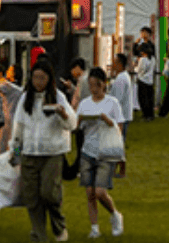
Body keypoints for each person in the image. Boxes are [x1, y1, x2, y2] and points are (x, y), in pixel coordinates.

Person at [9, 59, 76, 243]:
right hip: (30, 152)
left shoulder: (58, 97)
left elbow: (72, 123)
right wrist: (15, 151)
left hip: (52, 152)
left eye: (42, 78)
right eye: (35, 78)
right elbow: (18, 127)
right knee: (32, 197)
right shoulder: (25, 99)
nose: (38, 82)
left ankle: (58, 225)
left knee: (49, 193)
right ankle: (38, 235)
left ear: (49, 79)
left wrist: (63, 114)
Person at [75, 68, 125, 238]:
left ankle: (115, 214)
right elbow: (76, 127)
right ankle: (94, 227)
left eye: (95, 85)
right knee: (89, 192)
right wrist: (80, 120)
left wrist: (107, 120)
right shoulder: (85, 104)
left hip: (106, 151)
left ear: (103, 84)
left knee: (100, 192)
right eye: (90, 85)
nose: (93, 89)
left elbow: (119, 128)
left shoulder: (112, 103)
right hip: (88, 150)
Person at [108, 54, 135, 177]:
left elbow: (116, 99)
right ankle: (116, 169)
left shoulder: (120, 79)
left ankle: (119, 169)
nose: (113, 64)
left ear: (119, 64)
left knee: (117, 143)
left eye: (114, 62)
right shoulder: (124, 77)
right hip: (123, 115)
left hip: (120, 117)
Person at [134, 28, 157, 122]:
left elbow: (140, 70)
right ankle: (150, 114)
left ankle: (146, 115)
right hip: (150, 79)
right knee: (150, 97)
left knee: (143, 98)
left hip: (142, 79)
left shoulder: (143, 59)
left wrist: (136, 68)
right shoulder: (152, 59)